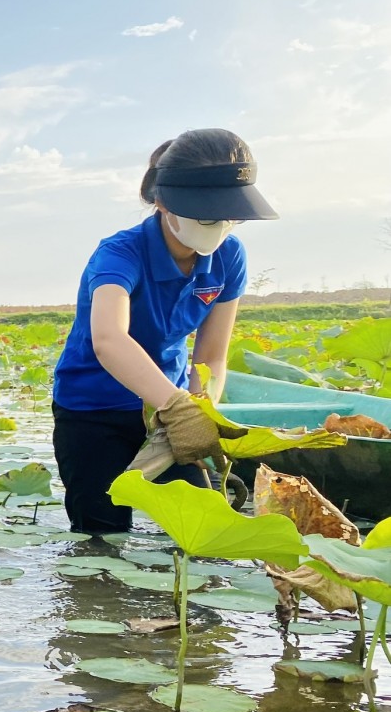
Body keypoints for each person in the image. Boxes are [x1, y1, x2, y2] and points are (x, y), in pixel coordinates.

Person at [52, 128, 278, 533]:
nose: (219, 226)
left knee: (201, 528)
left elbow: (211, 356)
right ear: (162, 201)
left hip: (168, 409)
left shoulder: (229, 256)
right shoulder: (120, 254)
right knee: (102, 532)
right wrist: (177, 407)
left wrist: (198, 412)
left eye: (230, 215)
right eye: (207, 215)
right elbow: (109, 340)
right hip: (93, 409)